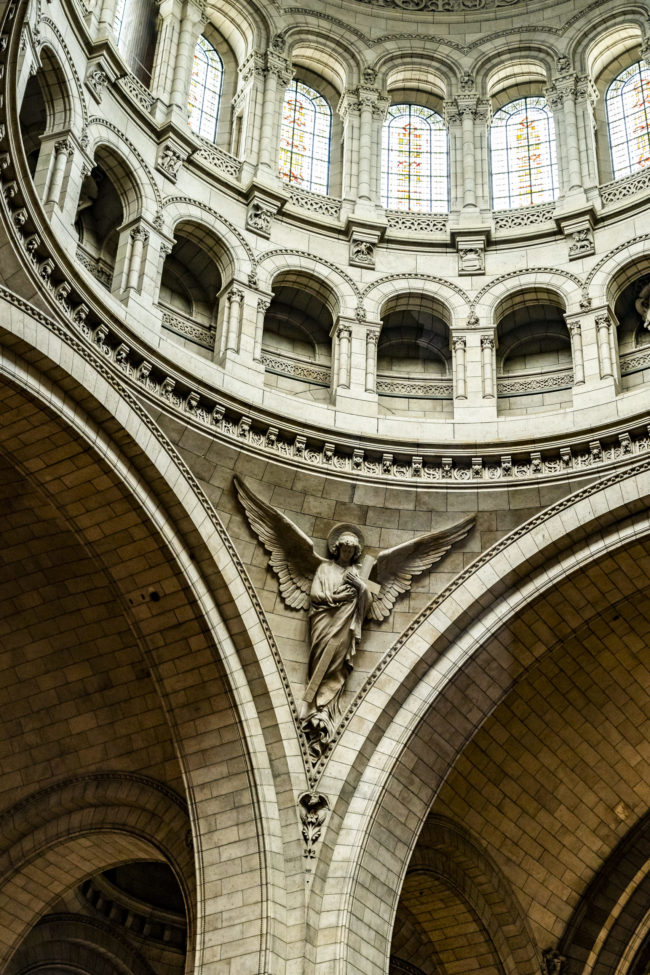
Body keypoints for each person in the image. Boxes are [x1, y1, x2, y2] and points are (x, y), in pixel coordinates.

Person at [302, 525, 372, 753]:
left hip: (345, 625)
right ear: (337, 548)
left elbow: (368, 602)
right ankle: (312, 704)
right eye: (344, 549)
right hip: (324, 621)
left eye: (352, 551)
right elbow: (314, 595)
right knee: (321, 656)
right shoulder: (324, 568)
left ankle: (324, 707)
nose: (347, 554)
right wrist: (336, 596)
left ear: (355, 553)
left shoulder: (359, 572)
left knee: (337, 662)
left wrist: (360, 585)